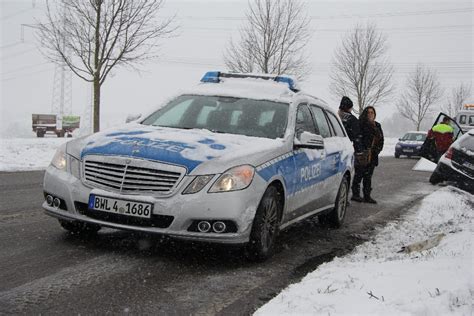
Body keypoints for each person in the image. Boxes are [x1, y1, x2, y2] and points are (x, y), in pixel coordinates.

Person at [351, 106, 384, 204]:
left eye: (372, 112)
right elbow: (357, 138)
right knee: (359, 174)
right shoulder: (361, 124)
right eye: (368, 112)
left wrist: (377, 150)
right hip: (362, 154)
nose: (370, 114)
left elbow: (381, 140)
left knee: (368, 176)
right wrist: (361, 150)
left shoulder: (377, 125)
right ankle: (355, 195)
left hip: (373, 155)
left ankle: (367, 196)